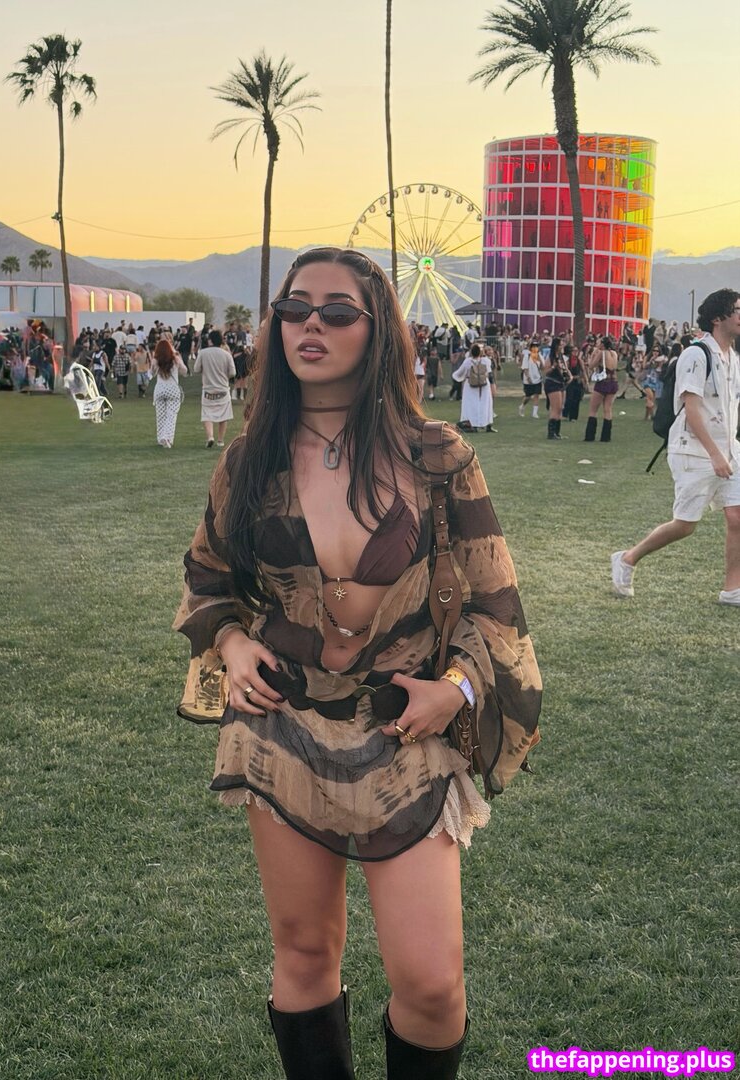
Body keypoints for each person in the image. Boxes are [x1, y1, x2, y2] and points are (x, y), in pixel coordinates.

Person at [173, 247, 541, 1079]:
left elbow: (497, 605)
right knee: (304, 952)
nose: (311, 323)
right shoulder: (250, 459)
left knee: (432, 984)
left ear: (378, 332)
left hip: (405, 733)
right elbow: (206, 578)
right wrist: (232, 643)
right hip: (282, 724)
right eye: (294, 309)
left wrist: (456, 689)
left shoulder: (438, 456)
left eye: (337, 311)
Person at [611, 289, 740, 606]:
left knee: (737, 517)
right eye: (738, 309)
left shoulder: (732, 358)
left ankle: (732, 589)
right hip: (694, 451)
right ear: (718, 318)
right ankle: (628, 558)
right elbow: (691, 409)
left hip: (729, 451)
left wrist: (726, 450)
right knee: (685, 525)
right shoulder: (696, 354)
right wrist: (714, 455)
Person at [194, 329, 236, 448]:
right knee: (224, 415)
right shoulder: (226, 354)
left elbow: (196, 369)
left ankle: (210, 437)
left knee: (207, 414)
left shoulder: (203, 353)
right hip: (223, 389)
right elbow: (233, 373)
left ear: (210, 340)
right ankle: (220, 440)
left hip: (208, 390)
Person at [152, 338, 187, 448]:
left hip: (159, 389)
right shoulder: (175, 358)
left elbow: (152, 373)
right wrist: (179, 359)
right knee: (171, 416)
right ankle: (167, 437)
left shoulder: (156, 360)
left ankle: (160, 438)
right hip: (172, 389)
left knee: (160, 415)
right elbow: (184, 371)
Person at [452, 343, 495, 432]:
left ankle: (472, 424)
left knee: (471, 405)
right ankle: (487, 424)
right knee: (485, 404)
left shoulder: (467, 361)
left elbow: (459, 373)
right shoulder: (486, 361)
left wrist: (458, 377)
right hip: (484, 385)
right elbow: (489, 372)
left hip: (470, 384)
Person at [583, 336, 619, 442]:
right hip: (613, 382)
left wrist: (593, 354)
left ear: (602, 344)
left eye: (598, 342)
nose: (597, 344)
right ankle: (606, 436)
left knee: (593, 410)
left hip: (603, 382)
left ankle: (590, 435)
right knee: (607, 409)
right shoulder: (614, 353)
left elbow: (591, 366)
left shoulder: (601, 353)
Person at [519, 342, 543, 418]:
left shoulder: (539, 356)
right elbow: (525, 368)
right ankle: (522, 406)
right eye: (533, 346)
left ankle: (534, 413)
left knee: (536, 395)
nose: (535, 348)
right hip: (528, 380)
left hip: (537, 379)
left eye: (536, 346)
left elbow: (542, 367)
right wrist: (528, 377)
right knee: (528, 396)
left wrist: (539, 358)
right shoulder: (527, 356)